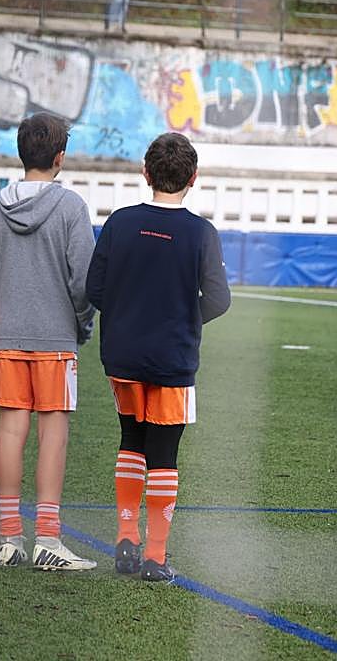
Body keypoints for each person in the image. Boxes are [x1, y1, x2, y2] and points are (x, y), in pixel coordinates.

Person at [86, 133, 231, 582]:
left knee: (131, 441)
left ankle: (125, 539)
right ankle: (155, 555)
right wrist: (184, 322)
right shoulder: (202, 232)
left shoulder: (120, 223)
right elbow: (220, 299)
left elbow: (94, 290)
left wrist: (130, 317)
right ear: (193, 179)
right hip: (173, 358)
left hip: (123, 356)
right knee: (164, 455)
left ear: (145, 174)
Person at [0, 112, 98, 571]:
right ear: (60, 158)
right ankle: (47, 537)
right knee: (53, 435)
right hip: (55, 337)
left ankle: (10, 538)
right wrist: (81, 325)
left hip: (7, 336)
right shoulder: (71, 208)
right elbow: (83, 282)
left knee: (10, 431)